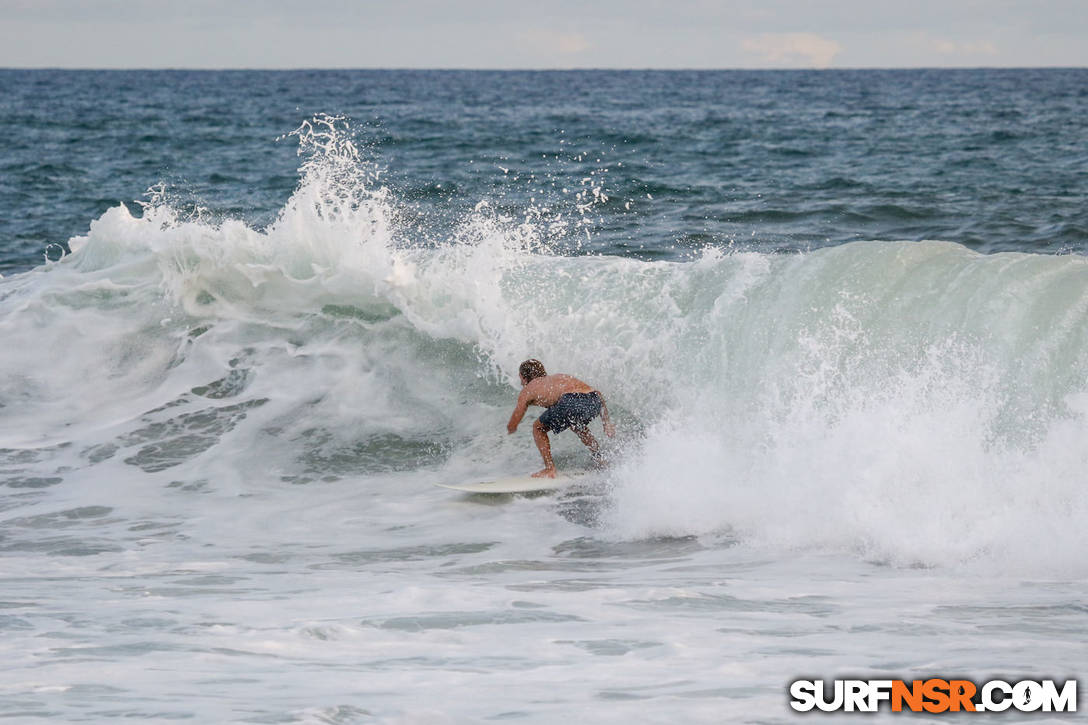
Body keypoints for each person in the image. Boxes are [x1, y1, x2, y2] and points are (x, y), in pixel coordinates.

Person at [506, 359, 615, 478]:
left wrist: (511, 428)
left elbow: (516, 417)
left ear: (524, 377)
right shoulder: (559, 377)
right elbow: (597, 393)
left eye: (520, 378)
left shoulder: (528, 389)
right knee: (576, 425)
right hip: (594, 401)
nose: (521, 382)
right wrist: (606, 423)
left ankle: (550, 469)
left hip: (569, 402)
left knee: (538, 427)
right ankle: (600, 459)